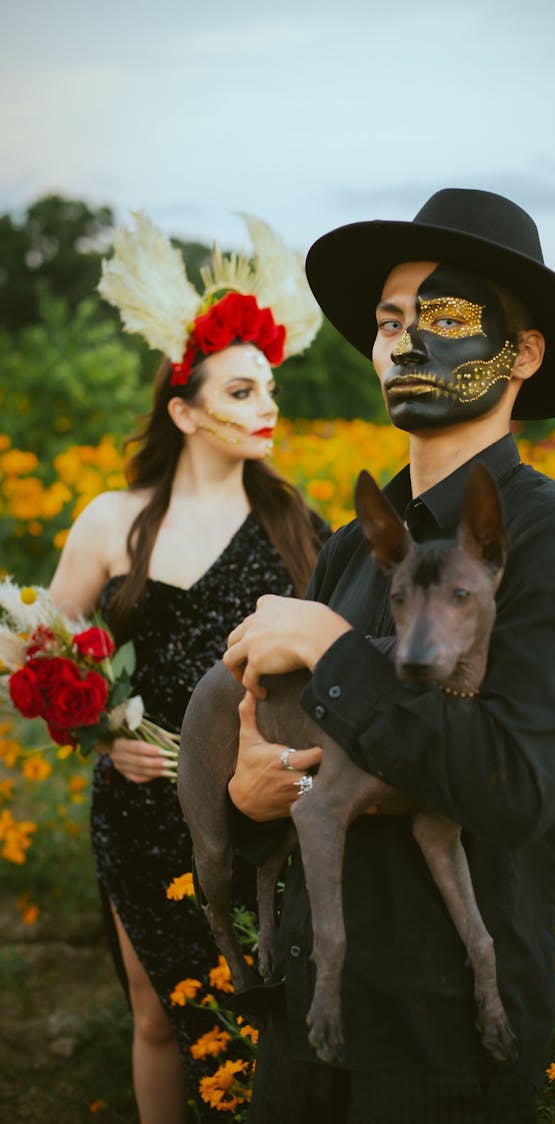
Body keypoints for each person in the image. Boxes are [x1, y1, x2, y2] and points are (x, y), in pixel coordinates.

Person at [223, 189, 555, 1124]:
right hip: (308, 1023)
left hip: (443, 1042)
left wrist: (332, 650)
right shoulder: (349, 552)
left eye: (442, 318)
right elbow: (305, 773)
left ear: (523, 354)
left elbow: (518, 788)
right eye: (387, 322)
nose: (402, 344)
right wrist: (249, 802)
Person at [49, 212, 327, 1123]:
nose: (266, 408)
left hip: (258, 802)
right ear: (183, 409)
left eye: (269, 389)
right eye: (242, 391)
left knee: (263, 1011)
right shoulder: (109, 521)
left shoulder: (296, 524)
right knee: (161, 1015)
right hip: (138, 806)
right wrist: (100, 734)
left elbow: (334, 664)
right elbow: (39, 662)